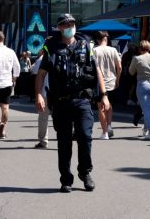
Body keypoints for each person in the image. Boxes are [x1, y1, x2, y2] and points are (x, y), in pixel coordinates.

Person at [34, 13, 109, 193]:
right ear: (59, 27)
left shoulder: (85, 45)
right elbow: (41, 74)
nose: (69, 27)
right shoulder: (52, 47)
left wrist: (104, 95)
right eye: (65, 24)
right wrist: (38, 94)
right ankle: (66, 178)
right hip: (61, 102)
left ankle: (85, 172)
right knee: (64, 142)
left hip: (82, 99)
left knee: (85, 136)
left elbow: (97, 70)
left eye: (72, 23)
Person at [92, 31, 122, 139]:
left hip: (99, 83)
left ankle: (104, 132)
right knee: (109, 105)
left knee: (101, 107)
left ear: (97, 39)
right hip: (112, 81)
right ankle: (109, 126)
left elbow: (93, 68)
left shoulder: (94, 50)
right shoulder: (113, 50)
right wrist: (118, 79)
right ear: (106, 39)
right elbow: (119, 67)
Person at [31, 49, 50, 149]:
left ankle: (43, 141)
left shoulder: (42, 59)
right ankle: (64, 139)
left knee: (43, 116)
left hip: (46, 91)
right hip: (61, 93)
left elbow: (34, 71)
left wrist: (38, 94)